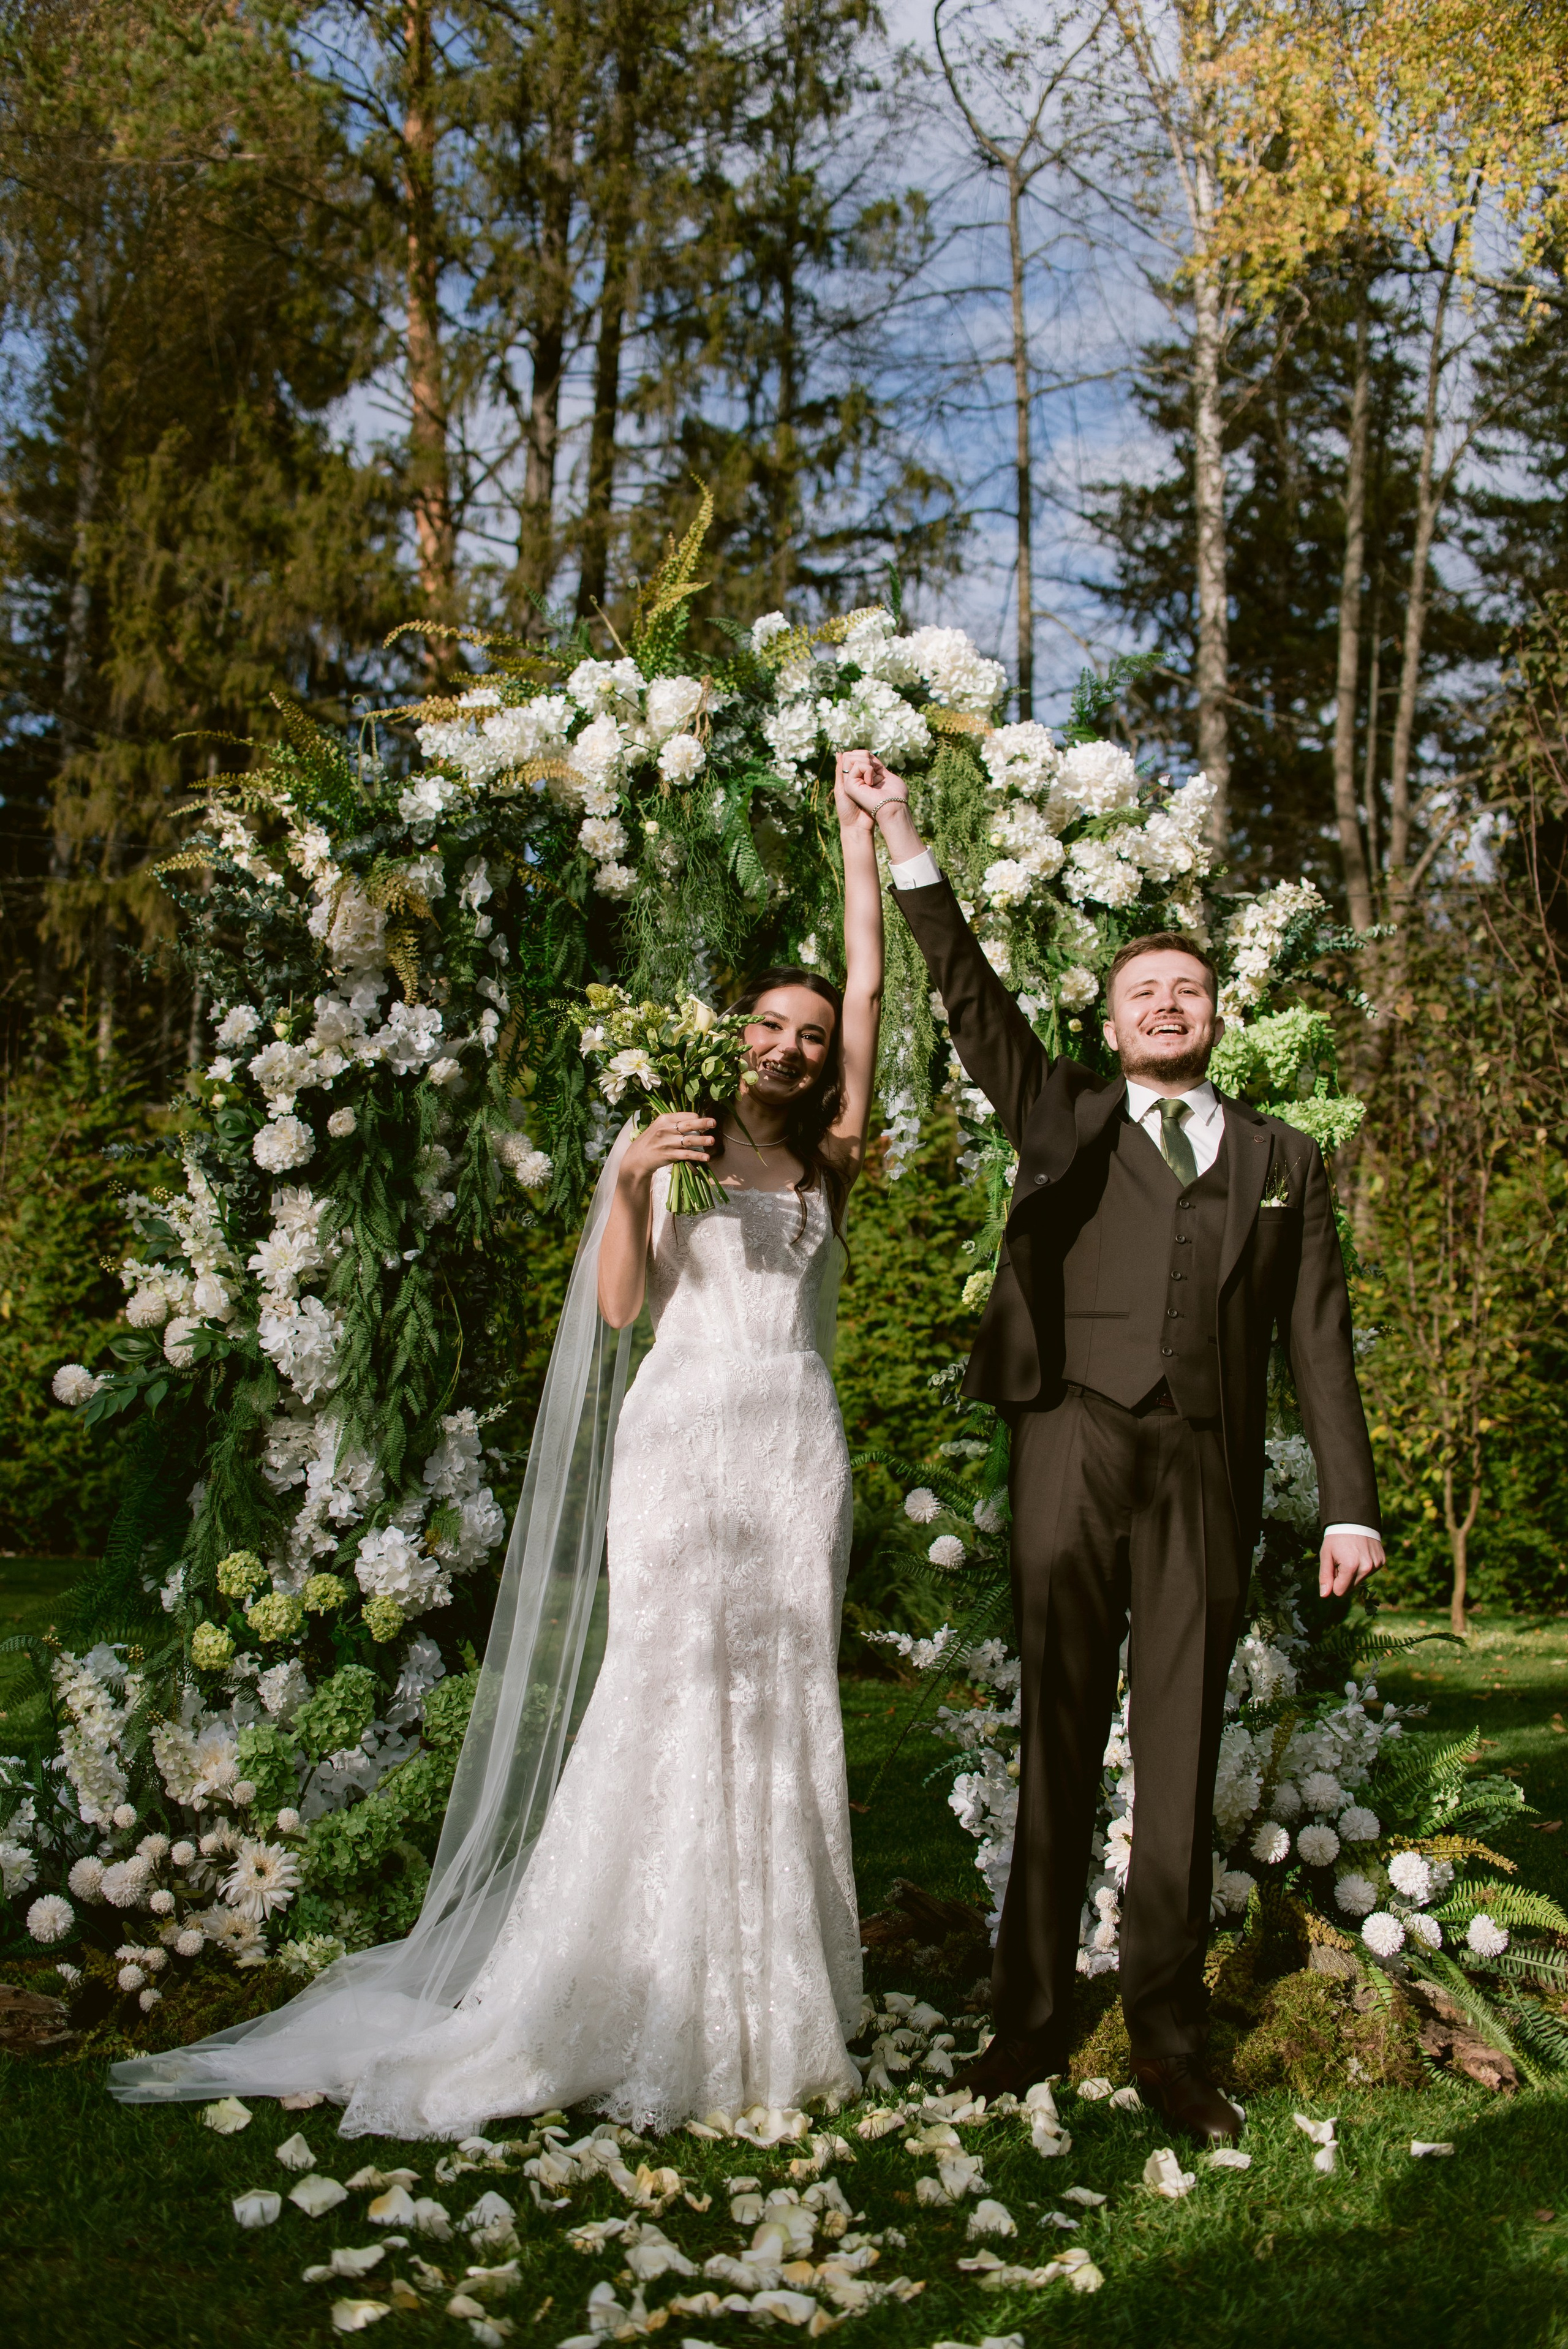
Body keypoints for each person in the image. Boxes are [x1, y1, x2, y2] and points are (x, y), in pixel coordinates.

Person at [110, 765, 884, 2136]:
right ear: (733, 1034)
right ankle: (628, 1976)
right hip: (683, 1434)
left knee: (782, 1695)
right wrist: (632, 1176)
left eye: (811, 1035)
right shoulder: (671, 1136)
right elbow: (621, 1310)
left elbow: (874, 990)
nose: (792, 1045)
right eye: (770, 1023)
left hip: (794, 1447)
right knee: (667, 1680)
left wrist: (859, 840)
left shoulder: (830, 1156)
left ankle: (770, 1989)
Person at [839, 750, 1383, 2146]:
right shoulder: (1063, 1111)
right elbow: (969, 998)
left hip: (1204, 1462)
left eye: (1187, 989)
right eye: (1145, 991)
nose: (1167, 1004)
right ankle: (1025, 2020)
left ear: (1217, 1014)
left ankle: (1167, 2040)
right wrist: (901, 833)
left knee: (1180, 1749)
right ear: (1111, 1018)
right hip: (1072, 1441)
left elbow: (1317, 1335)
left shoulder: (1282, 1159)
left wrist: (1349, 1503)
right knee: (1060, 1734)